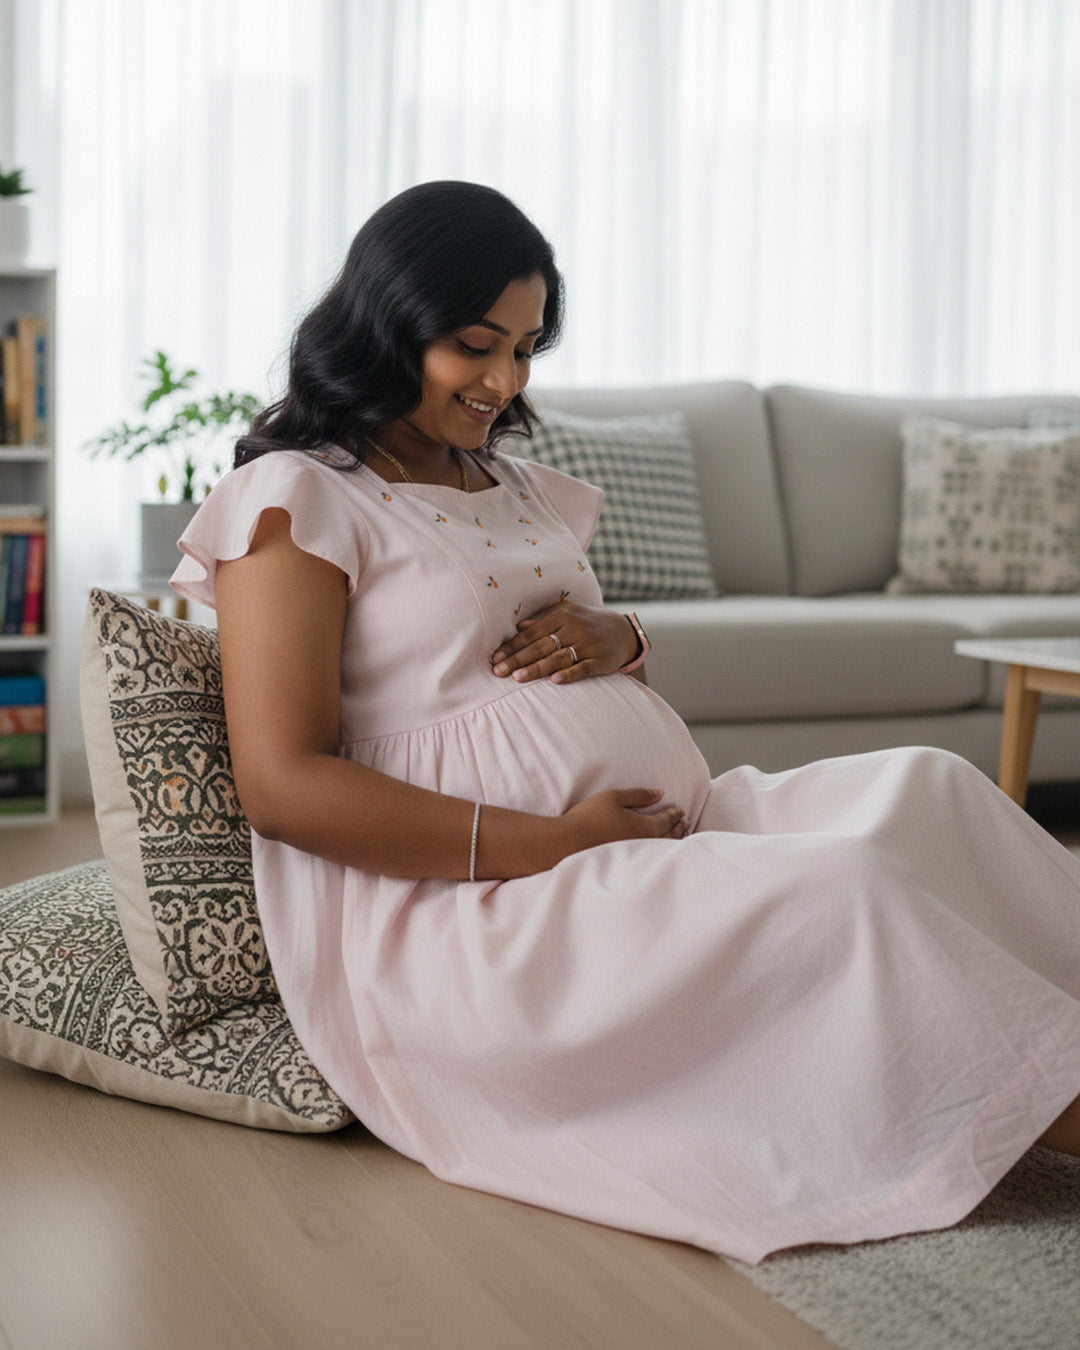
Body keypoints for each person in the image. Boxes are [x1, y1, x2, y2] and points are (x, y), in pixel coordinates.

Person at [171, 180, 1080, 1265]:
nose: (506, 382)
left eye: (526, 347)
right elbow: (283, 784)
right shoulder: (296, 497)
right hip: (482, 907)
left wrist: (623, 637)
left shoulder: (499, 478)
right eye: (475, 346)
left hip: (650, 835)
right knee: (842, 894)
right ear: (387, 325)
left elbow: (538, 631)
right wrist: (553, 842)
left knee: (927, 786)